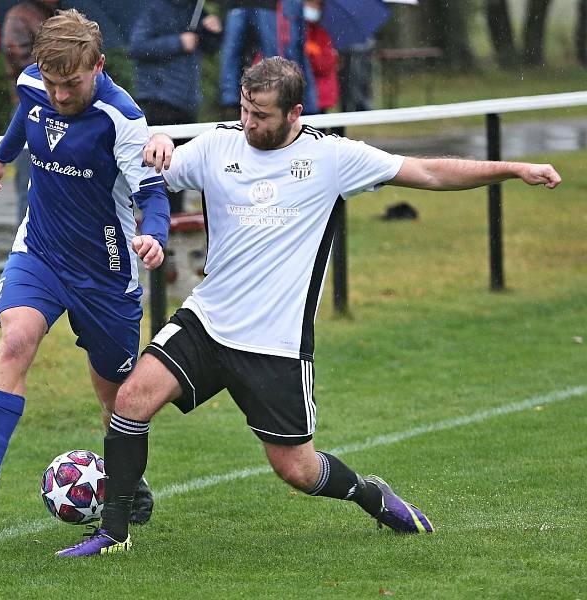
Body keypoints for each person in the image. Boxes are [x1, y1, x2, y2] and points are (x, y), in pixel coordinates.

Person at [55, 56, 562, 556]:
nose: (249, 123)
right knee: (131, 402)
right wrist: (157, 142)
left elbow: (428, 172)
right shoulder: (219, 145)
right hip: (207, 321)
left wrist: (513, 168)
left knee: (296, 469)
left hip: (274, 343)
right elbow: (144, 171)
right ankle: (114, 532)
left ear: (295, 113)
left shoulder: (332, 158)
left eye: (262, 116)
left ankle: (369, 494)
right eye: (245, 109)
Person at [0, 9, 171, 527]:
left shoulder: (123, 118)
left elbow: (152, 192)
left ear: (98, 65)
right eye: (51, 83)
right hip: (41, 252)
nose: (59, 96)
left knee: (114, 390)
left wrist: (155, 238)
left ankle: (126, 479)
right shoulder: (34, 84)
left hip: (106, 271)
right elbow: (25, 117)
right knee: (16, 338)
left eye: (70, 84)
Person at [128, 0, 223, 213]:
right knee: (157, 171)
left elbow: (210, 46)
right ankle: (155, 223)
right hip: (157, 101)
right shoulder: (153, 8)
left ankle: (174, 226)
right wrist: (178, 42)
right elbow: (137, 46)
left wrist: (214, 31)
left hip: (186, 104)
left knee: (178, 174)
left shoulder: (196, 9)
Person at [1, 0, 59, 222]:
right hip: (30, 107)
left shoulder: (56, 15)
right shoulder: (19, 17)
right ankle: (27, 248)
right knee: (30, 186)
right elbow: (20, 62)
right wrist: (62, 64)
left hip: (61, 109)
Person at [218, 0, 278, 120]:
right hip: (237, 5)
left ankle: (274, 92)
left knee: (271, 54)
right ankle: (229, 100)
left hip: (265, 5)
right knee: (231, 52)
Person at [301, 0, 338, 113]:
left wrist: (309, 55)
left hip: (320, 96)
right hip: (299, 95)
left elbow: (326, 65)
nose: (313, 8)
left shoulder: (323, 34)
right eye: (310, 3)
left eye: (317, 4)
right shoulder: (293, 30)